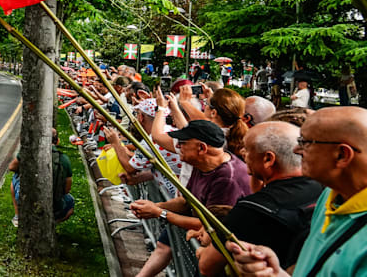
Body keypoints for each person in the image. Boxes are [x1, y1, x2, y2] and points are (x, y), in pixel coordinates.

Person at [226, 107, 367, 276]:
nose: (296, 150)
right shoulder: (329, 196)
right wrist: (275, 273)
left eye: (305, 142)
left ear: (342, 155)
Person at [195, 121, 323, 276]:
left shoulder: (251, 211)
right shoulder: (323, 189)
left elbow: (207, 266)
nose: (242, 152)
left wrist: (201, 251)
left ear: (268, 159)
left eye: (247, 149)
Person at [130, 120, 252, 277]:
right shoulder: (201, 165)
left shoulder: (227, 180)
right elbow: (186, 201)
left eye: (182, 142)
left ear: (201, 148)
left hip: (224, 262)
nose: (178, 146)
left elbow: (211, 226)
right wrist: (154, 205)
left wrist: (159, 212)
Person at [8, 128, 73, 228]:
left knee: (15, 176)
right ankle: (51, 224)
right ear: (58, 141)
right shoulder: (63, 159)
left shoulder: (27, 152)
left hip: (27, 199)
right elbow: (67, 189)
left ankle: (18, 216)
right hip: (54, 203)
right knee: (70, 202)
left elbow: (11, 167)